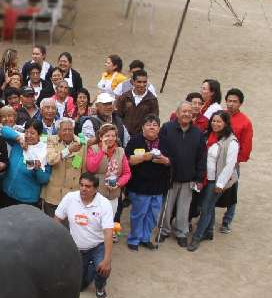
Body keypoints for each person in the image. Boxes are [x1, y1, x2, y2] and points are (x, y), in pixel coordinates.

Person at [54, 173, 114, 298]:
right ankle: (90, 270)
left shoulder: (104, 204)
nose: (83, 189)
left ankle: (100, 286)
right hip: (76, 248)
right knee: (80, 286)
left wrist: (107, 260)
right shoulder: (70, 198)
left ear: (96, 189)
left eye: (88, 186)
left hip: (97, 246)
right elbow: (57, 220)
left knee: (103, 268)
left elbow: (108, 233)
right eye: (81, 185)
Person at [188, 110, 238, 252]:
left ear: (226, 123)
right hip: (203, 178)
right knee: (208, 206)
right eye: (213, 121)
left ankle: (197, 237)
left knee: (206, 208)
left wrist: (220, 184)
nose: (215, 124)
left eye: (219, 121)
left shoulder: (231, 141)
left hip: (215, 181)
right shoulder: (207, 135)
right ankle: (208, 231)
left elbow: (229, 165)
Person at [159, 101, 206, 247]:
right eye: (183, 111)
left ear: (193, 115)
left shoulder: (197, 132)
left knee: (184, 208)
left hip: (188, 177)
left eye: (189, 112)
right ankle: (164, 230)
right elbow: (160, 148)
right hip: (170, 176)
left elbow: (201, 156)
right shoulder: (167, 128)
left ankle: (181, 232)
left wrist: (198, 177)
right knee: (166, 207)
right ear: (177, 113)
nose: (186, 114)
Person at [125, 115, 170, 251]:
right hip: (140, 186)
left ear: (159, 128)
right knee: (139, 214)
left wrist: (165, 160)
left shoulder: (165, 142)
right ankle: (134, 239)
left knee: (152, 215)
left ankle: (145, 238)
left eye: (155, 124)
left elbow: (172, 161)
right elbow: (128, 160)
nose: (152, 127)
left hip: (158, 186)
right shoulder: (135, 141)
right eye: (148, 124)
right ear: (143, 127)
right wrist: (144, 157)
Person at [85, 123, 131, 236]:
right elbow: (91, 168)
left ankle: (104, 247)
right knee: (94, 224)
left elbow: (127, 173)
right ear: (100, 137)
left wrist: (119, 183)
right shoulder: (93, 149)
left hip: (113, 195)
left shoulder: (120, 151)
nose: (110, 138)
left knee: (107, 224)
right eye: (107, 135)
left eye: (113, 136)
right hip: (96, 195)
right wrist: (102, 152)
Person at [220, 88, 253, 234]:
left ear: (240, 104)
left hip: (233, 163)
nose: (231, 104)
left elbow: (246, 146)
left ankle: (227, 221)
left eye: (235, 101)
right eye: (229, 101)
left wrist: (236, 161)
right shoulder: (220, 116)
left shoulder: (245, 122)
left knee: (232, 193)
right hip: (216, 160)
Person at [0, 119, 52, 207]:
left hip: (27, 199)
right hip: (7, 193)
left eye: (32, 133)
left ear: (39, 135)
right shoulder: (19, 142)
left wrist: (37, 169)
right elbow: (4, 130)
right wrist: (19, 138)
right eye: (26, 132)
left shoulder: (44, 151)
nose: (28, 136)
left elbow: (44, 180)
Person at [42, 118, 85, 217]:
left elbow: (83, 168)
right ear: (58, 131)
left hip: (73, 193)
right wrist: (68, 150)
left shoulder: (81, 143)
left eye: (70, 129)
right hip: (54, 194)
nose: (67, 132)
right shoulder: (51, 140)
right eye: (64, 130)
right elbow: (51, 159)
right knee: (53, 225)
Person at [115, 69, 159, 136]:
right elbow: (118, 116)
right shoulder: (124, 97)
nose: (142, 85)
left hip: (142, 137)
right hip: (124, 134)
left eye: (144, 82)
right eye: (139, 82)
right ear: (133, 81)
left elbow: (154, 120)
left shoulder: (152, 100)